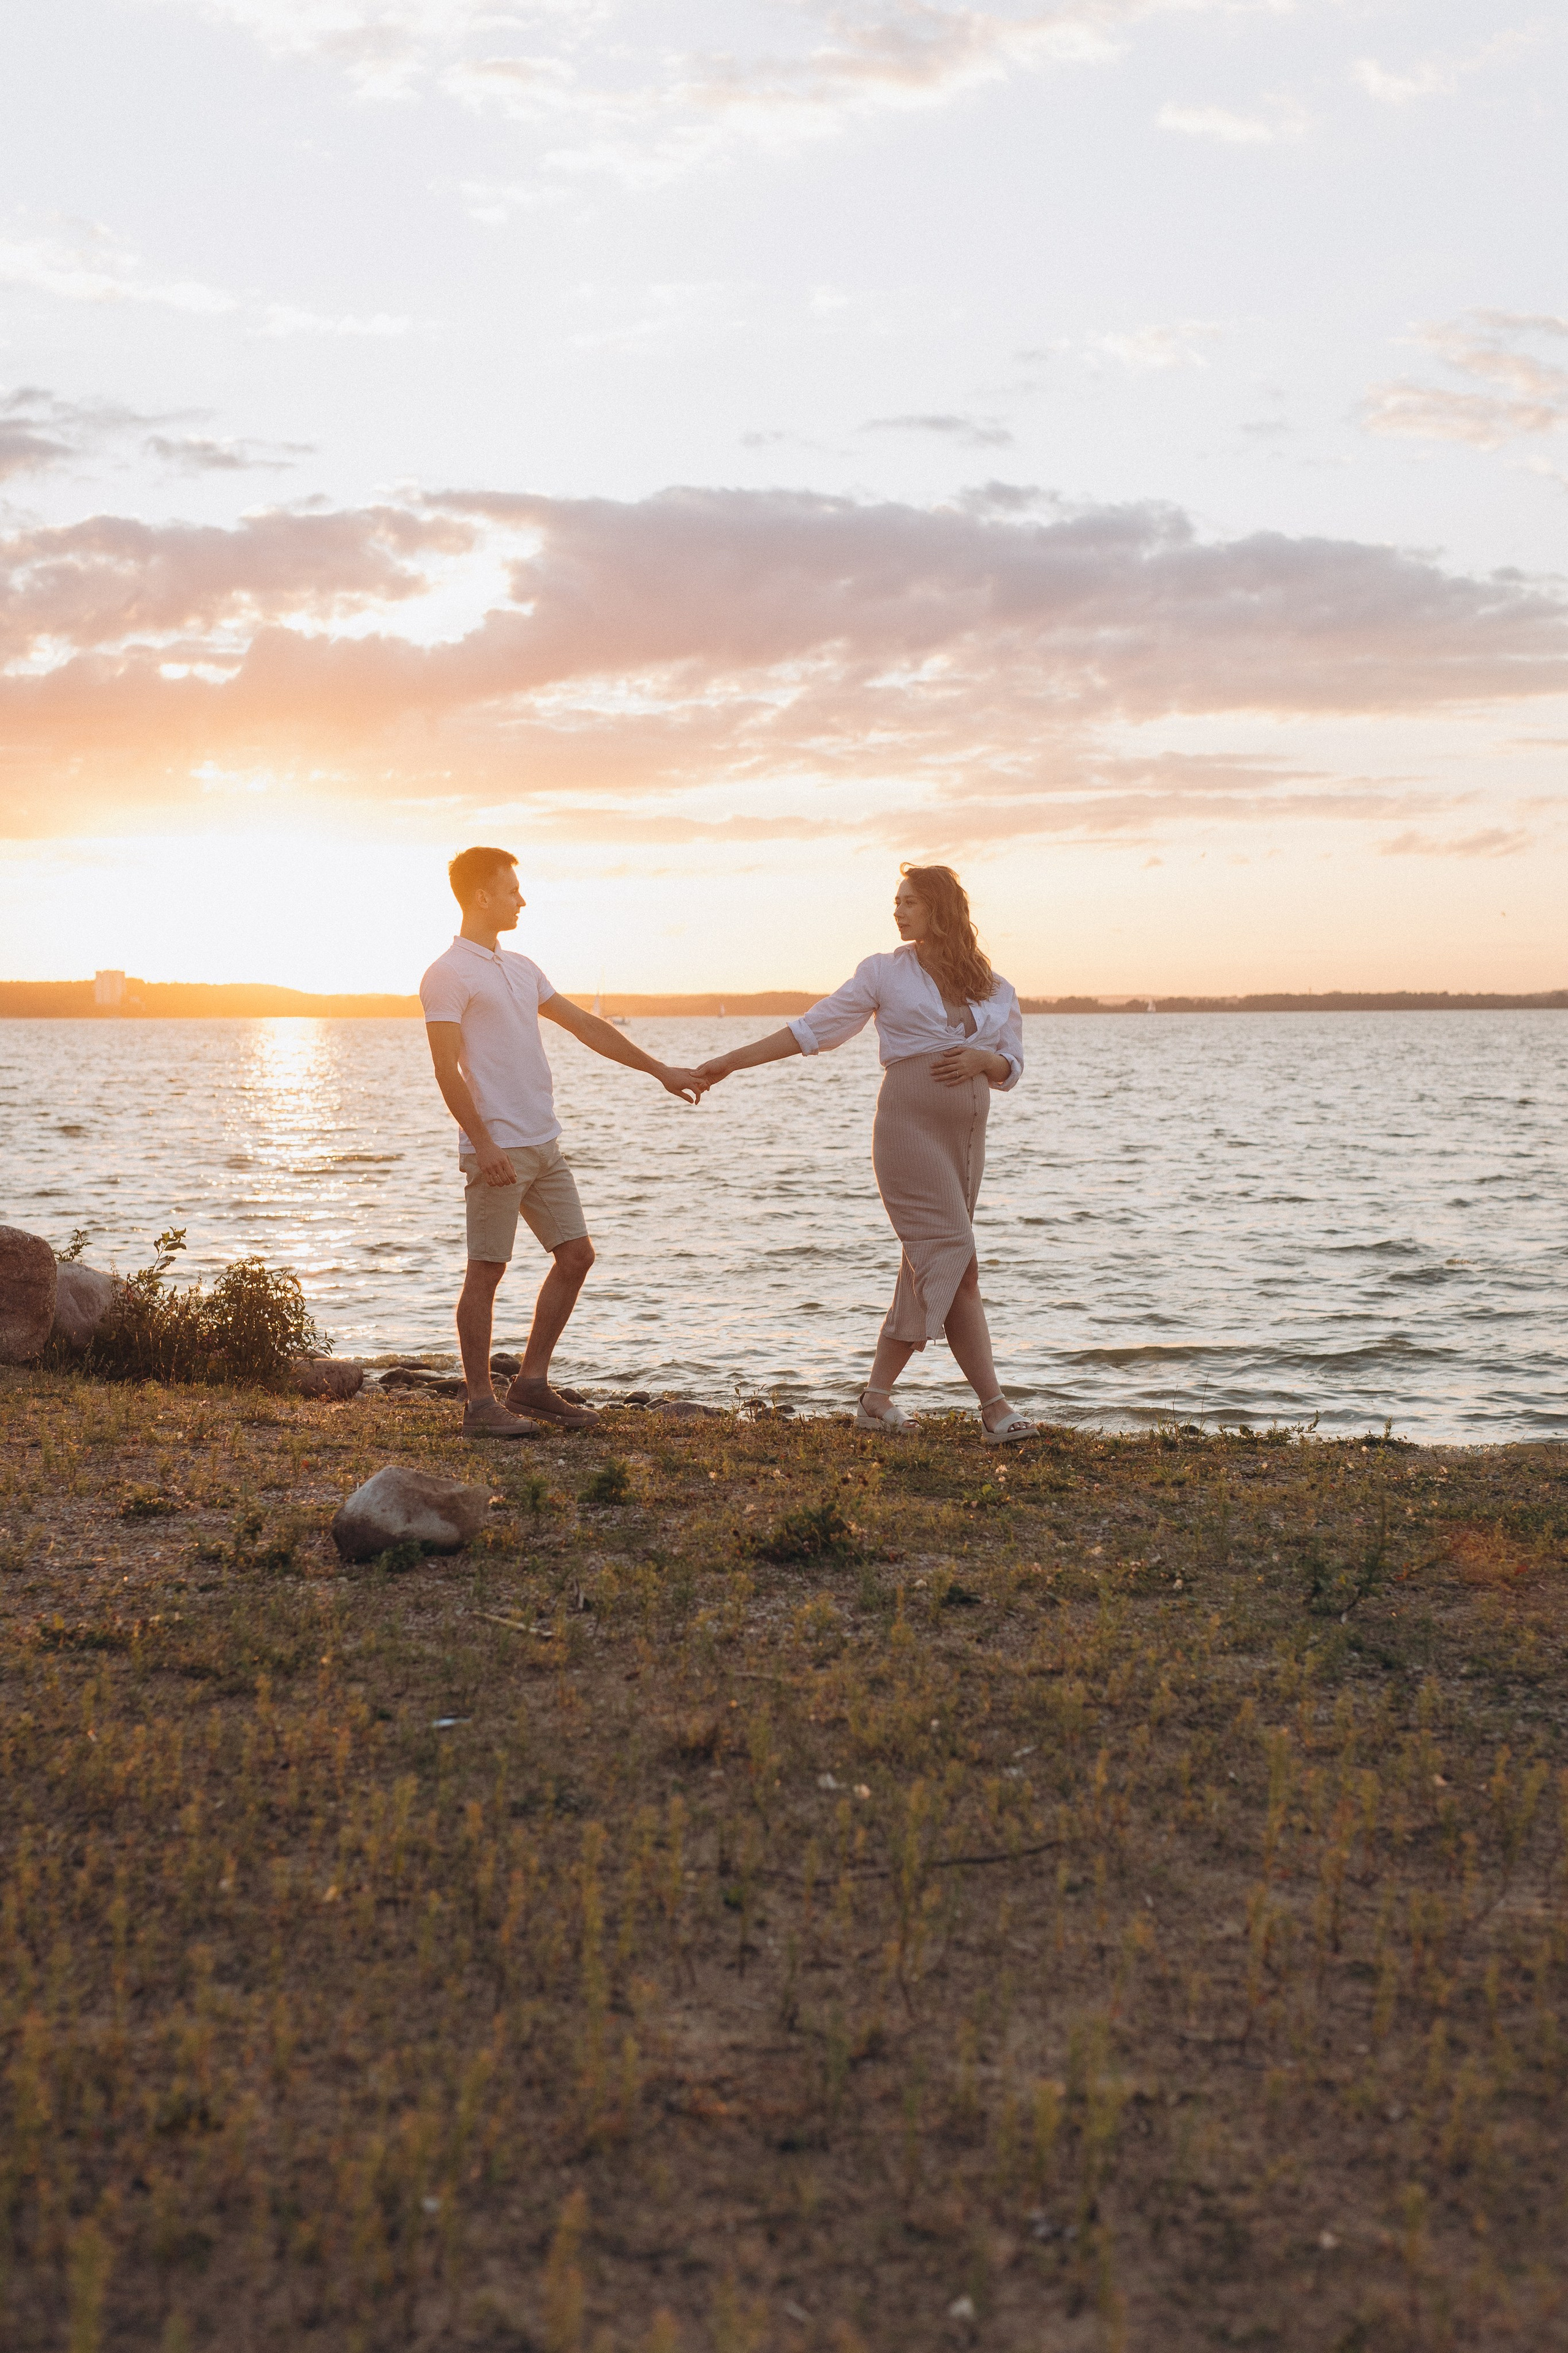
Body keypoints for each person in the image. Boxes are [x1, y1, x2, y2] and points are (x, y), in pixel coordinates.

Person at [698, 864, 1036, 1441]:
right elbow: (812, 1030)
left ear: (941, 910)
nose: (898, 912)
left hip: (965, 1142)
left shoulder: (995, 986)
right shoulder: (884, 972)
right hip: (908, 1133)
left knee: (929, 1264)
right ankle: (994, 1408)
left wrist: (985, 1060)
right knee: (957, 1257)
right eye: (896, 902)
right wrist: (728, 1063)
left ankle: (875, 1399)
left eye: (910, 902)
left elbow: (1013, 1066)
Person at [420, 847, 709, 1438]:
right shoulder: (447, 974)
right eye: (511, 890)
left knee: (576, 1256)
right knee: (486, 1271)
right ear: (482, 896)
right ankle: (480, 1405)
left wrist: (660, 1070)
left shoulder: (522, 967)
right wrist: (483, 1143)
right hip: (496, 1148)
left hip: (543, 1142)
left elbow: (586, 1026)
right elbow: (446, 1069)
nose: (521, 900)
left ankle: (530, 1384)